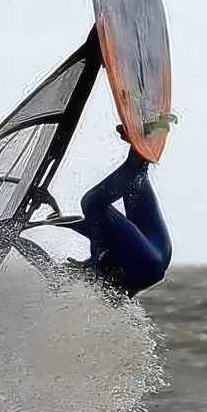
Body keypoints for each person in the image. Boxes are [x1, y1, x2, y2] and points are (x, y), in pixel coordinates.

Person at [58, 124, 172, 298]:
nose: (70, 267)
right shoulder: (99, 276)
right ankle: (142, 146)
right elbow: (97, 231)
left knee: (136, 181)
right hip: (143, 262)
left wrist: (59, 222)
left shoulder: (94, 266)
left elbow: (97, 233)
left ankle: (141, 146)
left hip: (156, 251)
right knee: (91, 204)